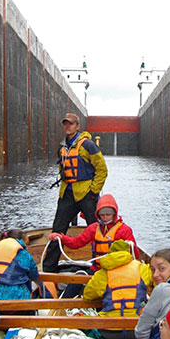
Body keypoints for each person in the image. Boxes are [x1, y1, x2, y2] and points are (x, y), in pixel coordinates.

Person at [43, 112, 107, 272]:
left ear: (77, 126)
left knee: (97, 231)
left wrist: (93, 191)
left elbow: (102, 169)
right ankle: (48, 269)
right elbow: (62, 168)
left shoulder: (87, 145)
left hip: (86, 194)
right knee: (57, 231)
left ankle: (100, 266)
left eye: (71, 123)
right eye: (65, 123)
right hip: (68, 194)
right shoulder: (62, 147)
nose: (67, 126)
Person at [82, 239, 152, 339]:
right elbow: (157, 283)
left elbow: (87, 296)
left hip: (109, 332)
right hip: (138, 331)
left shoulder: (102, 273)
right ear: (128, 254)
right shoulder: (142, 268)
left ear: (110, 254)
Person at [48, 193, 139, 271]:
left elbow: (135, 254)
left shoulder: (124, 230)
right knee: (76, 282)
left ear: (114, 214)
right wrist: (61, 238)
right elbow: (76, 243)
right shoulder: (93, 228)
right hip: (96, 269)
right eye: (102, 215)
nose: (105, 218)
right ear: (98, 215)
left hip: (116, 270)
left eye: (108, 215)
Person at [0, 229, 39, 301]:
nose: (27, 248)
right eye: (26, 244)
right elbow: (34, 275)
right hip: (17, 301)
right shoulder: (22, 252)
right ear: (21, 241)